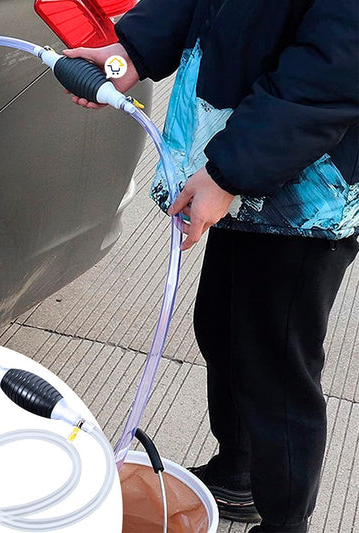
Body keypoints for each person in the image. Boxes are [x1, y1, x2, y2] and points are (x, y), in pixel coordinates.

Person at [64, 1, 359, 532]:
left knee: (276, 368)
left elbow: (330, 71)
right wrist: (132, 50)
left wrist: (229, 173)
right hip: (245, 158)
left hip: (309, 192)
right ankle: (241, 473)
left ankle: (285, 520)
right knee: (224, 331)